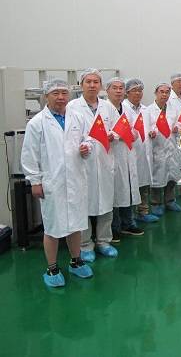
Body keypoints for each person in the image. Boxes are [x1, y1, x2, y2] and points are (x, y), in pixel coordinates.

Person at [21, 79, 94, 287]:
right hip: (52, 182)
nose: (61, 97)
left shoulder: (77, 117)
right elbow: (29, 154)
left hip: (75, 180)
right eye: (56, 93)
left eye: (64, 93)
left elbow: (88, 138)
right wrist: (35, 181)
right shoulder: (37, 123)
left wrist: (86, 147)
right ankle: (52, 268)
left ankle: (76, 261)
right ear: (46, 96)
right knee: (52, 227)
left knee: (76, 224)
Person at [67, 69, 119, 262]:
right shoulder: (72, 107)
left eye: (96, 82)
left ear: (100, 85)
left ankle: (104, 241)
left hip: (104, 161)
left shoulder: (107, 107)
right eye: (88, 81)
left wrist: (114, 135)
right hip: (82, 162)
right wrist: (79, 147)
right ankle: (84, 244)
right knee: (83, 204)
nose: (92, 85)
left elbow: (119, 127)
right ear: (81, 85)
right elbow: (67, 134)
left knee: (106, 203)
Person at [105, 77, 144, 241]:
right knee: (114, 193)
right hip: (112, 156)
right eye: (115, 88)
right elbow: (102, 132)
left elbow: (134, 130)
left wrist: (132, 134)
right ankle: (114, 228)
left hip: (127, 154)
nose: (118, 91)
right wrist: (118, 135)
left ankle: (128, 223)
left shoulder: (126, 108)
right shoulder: (104, 108)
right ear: (107, 90)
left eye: (121, 88)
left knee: (127, 189)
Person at [123, 78, 159, 223]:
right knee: (131, 184)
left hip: (144, 151)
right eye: (134, 90)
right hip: (130, 152)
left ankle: (143, 211)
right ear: (127, 93)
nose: (138, 93)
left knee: (144, 182)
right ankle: (130, 216)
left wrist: (153, 131)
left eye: (140, 90)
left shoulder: (145, 109)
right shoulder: (123, 108)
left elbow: (153, 124)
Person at [147, 82, 181, 216]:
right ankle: (156, 203)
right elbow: (146, 126)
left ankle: (170, 200)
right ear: (156, 93)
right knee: (157, 176)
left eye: (167, 92)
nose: (164, 94)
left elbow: (180, 121)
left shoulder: (173, 108)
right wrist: (151, 131)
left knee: (172, 175)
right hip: (157, 147)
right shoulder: (149, 110)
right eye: (161, 92)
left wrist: (178, 126)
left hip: (172, 146)